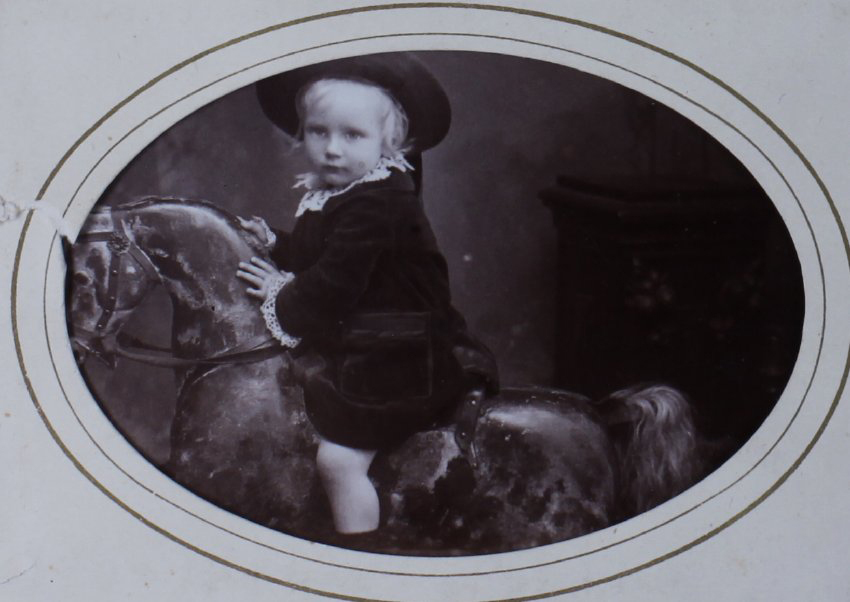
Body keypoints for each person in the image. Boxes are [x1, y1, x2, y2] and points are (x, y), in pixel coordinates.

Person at [236, 53, 497, 536]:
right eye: (319, 132)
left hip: (396, 357)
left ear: (388, 141)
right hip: (362, 342)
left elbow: (335, 282)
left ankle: (360, 557)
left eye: (353, 135)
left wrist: (279, 289)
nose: (332, 149)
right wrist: (275, 242)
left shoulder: (380, 200)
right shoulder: (342, 191)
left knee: (339, 461)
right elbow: (324, 253)